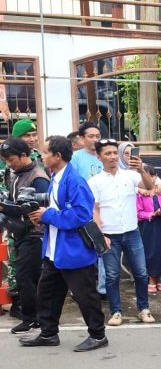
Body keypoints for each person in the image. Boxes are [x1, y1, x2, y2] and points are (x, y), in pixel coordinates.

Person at [21, 135, 108, 352]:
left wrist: (47, 215)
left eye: (45, 153)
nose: (41, 156)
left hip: (74, 251)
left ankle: (98, 335)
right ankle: (49, 333)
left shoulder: (75, 181)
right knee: (47, 293)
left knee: (85, 295)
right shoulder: (55, 177)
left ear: (57, 156)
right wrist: (41, 215)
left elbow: (81, 215)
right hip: (55, 250)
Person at [89, 138, 156, 326]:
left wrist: (141, 169)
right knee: (112, 275)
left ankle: (144, 309)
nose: (112, 157)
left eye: (113, 153)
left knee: (141, 273)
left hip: (132, 232)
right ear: (99, 156)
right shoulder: (94, 181)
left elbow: (149, 187)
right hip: (109, 235)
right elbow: (95, 209)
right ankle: (116, 312)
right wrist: (101, 235)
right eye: (107, 154)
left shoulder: (130, 175)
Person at [0, 138, 49, 334]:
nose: (9, 164)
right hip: (19, 233)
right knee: (28, 278)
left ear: (23, 155)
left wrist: (8, 208)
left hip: (34, 234)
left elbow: (42, 210)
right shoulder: (16, 174)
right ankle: (37, 317)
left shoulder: (38, 177)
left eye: (11, 159)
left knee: (26, 277)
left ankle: (31, 318)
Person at [69, 121, 105, 298]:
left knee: (103, 248)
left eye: (98, 136)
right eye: (91, 136)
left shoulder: (104, 155)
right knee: (87, 247)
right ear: (82, 138)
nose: (95, 140)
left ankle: (103, 288)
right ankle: (82, 290)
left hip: (104, 208)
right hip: (84, 210)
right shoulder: (75, 158)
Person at [137, 164, 161, 293]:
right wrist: (151, 214)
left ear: (156, 177)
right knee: (150, 252)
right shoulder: (141, 194)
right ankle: (152, 280)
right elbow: (138, 212)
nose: (150, 179)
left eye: (152, 176)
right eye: (147, 176)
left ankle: (159, 279)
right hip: (148, 226)